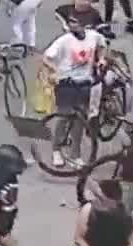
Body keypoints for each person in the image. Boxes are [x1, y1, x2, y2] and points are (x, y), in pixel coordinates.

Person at [44, 14, 102, 168]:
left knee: (80, 121)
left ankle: (75, 154)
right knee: (64, 117)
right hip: (67, 84)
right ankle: (56, 150)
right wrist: (56, 71)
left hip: (84, 84)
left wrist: (101, 59)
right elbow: (46, 57)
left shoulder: (94, 37)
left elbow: (102, 46)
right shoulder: (64, 40)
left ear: (84, 24)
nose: (71, 25)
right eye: (70, 22)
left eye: (75, 22)